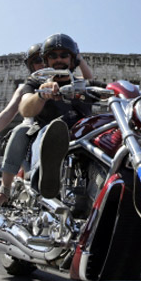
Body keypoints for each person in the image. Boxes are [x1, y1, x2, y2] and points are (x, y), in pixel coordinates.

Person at [0, 43, 94, 212]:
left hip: (72, 127)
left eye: (43, 60)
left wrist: (78, 57)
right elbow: (8, 113)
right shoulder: (30, 85)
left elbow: (89, 81)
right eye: (36, 61)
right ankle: (5, 189)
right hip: (38, 129)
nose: (40, 64)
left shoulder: (70, 79)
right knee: (21, 130)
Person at [13, 33, 95, 201]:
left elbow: (117, 90)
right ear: (46, 60)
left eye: (64, 55)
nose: (59, 59)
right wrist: (41, 95)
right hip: (47, 133)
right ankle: (43, 178)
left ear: (73, 60)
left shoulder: (85, 85)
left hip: (83, 137)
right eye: (52, 55)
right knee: (50, 132)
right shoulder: (35, 83)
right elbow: (25, 108)